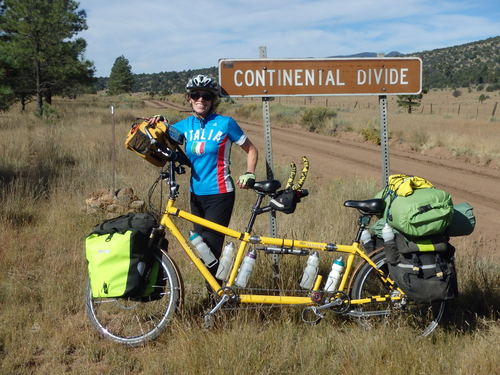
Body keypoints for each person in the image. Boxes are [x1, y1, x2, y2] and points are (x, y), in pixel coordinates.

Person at [150, 74, 258, 280]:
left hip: (220, 194)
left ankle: (216, 298)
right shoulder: (185, 125)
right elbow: (163, 132)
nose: (201, 100)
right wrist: (157, 121)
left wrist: (249, 172)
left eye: (206, 96)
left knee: (211, 248)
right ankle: (218, 292)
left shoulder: (225, 124)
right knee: (202, 249)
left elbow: (251, 149)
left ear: (213, 100)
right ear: (189, 99)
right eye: (196, 95)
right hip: (195, 195)